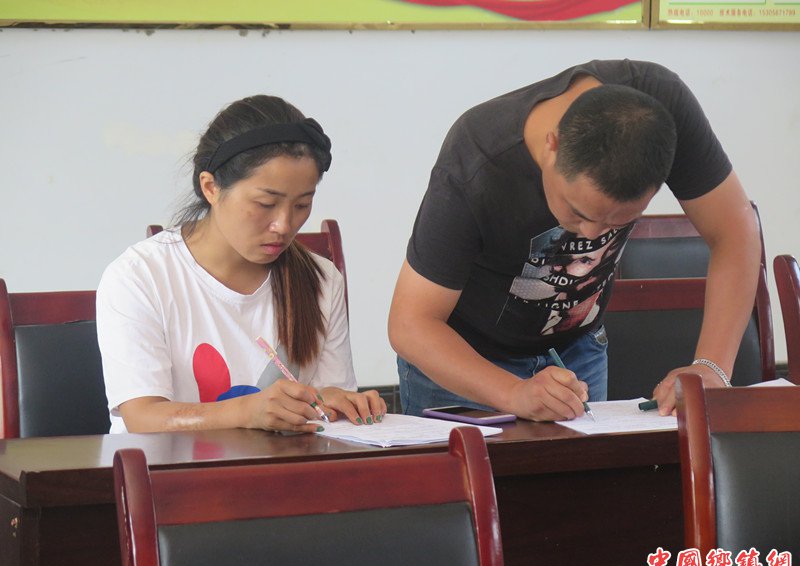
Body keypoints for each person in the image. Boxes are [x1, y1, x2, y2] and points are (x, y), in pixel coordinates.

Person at [388, 59, 760, 421]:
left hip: (576, 353)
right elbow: (411, 323)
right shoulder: (478, 158)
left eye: (618, 222)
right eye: (578, 212)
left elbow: (735, 230)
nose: (592, 235)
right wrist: (514, 393)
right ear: (552, 146)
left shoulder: (658, 112)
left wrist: (711, 366)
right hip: (464, 360)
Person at [97, 95, 385, 434]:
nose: (284, 225)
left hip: (283, 465)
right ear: (211, 187)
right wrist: (247, 411)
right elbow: (142, 418)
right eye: (265, 203)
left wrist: (332, 403)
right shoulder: (140, 277)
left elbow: (327, 421)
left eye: (302, 205)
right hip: (167, 467)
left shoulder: (321, 280)